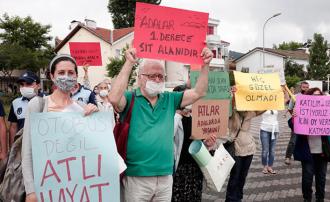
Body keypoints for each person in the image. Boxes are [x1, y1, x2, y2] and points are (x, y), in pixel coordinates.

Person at [108, 47, 213, 202]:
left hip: (165, 176)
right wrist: (129, 62)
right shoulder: (130, 98)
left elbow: (199, 92)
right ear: (140, 77)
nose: (157, 80)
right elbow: (114, 97)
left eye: (160, 76)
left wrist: (205, 66)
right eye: (152, 76)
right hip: (137, 177)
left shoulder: (169, 99)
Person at [22, 54, 98, 202]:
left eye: (71, 73)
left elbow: (92, 151)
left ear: (76, 76)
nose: (66, 77)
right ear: (52, 76)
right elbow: (27, 151)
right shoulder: (38, 105)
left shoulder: (81, 109)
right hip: (45, 187)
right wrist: (31, 190)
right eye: (61, 73)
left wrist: (95, 116)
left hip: (74, 188)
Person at [172, 85, 216, 202]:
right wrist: (178, 114)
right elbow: (168, 135)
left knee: (194, 197)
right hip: (179, 169)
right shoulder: (172, 117)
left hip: (195, 168)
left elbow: (199, 143)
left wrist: (206, 144)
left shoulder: (196, 118)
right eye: (186, 97)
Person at [293, 87, 330, 202]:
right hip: (308, 152)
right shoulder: (302, 109)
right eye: (314, 96)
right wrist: (294, 117)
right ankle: (307, 198)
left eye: (319, 96)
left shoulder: (326, 111)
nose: (317, 98)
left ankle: (320, 198)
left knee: (321, 178)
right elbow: (293, 126)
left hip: (322, 152)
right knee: (307, 178)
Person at [225, 87, 265, 202]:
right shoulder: (232, 112)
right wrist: (233, 96)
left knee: (242, 177)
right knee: (235, 176)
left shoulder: (248, 112)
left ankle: (238, 198)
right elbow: (229, 107)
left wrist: (271, 102)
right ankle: (231, 199)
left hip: (249, 148)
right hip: (236, 148)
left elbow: (260, 110)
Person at [8, 71, 42, 146]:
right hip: (22, 146)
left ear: (38, 86)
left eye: (28, 84)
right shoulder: (15, 103)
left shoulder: (47, 101)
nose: (24, 87)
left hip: (43, 146)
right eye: (22, 85)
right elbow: (13, 127)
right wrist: (12, 147)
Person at [284, 81, 309, 165]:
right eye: (304, 87)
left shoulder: (311, 97)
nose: (305, 89)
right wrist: (294, 116)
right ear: (300, 88)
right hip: (297, 122)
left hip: (308, 123)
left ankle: (306, 155)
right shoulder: (295, 97)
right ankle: (288, 157)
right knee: (293, 140)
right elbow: (290, 108)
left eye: (307, 87)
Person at [260, 110, 279, 174]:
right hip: (264, 129)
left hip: (275, 130)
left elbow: (285, 100)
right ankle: (265, 166)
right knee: (265, 150)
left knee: (272, 150)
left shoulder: (276, 104)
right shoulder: (263, 104)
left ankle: (270, 166)